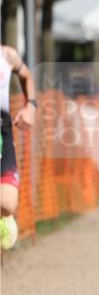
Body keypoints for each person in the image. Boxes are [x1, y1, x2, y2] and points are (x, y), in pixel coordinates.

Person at [0, 45, 37, 250]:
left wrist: (30, 106)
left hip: (2, 135)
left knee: (7, 204)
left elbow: (27, 77)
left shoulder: (7, 55)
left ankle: (3, 219)